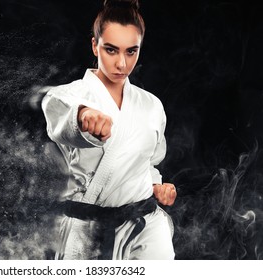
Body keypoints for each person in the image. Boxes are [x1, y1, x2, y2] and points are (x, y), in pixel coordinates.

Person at [42, 0, 177, 260]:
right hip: (87, 226)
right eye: (111, 50)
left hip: (144, 224)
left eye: (131, 51)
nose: (122, 64)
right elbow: (60, 124)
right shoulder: (67, 96)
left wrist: (156, 185)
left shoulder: (151, 105)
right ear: (95, 45)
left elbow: (147, 162)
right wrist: (82, 117)